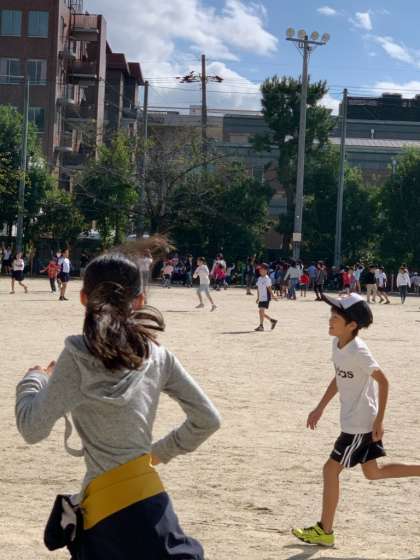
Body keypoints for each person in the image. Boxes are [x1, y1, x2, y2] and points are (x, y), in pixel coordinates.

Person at [15, 249, 221, 559]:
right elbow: (208, 419)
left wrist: (34, 379)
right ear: (139, 301)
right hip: (151, 501)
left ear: (83, 298)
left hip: (104, 514)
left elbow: (32, 429)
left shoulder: (77, 356)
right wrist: (157, 454)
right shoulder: (158, 355)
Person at [292, 292, 420, 547]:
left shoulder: (359, 351)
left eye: (336, 317)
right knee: (373, 473)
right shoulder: (337, 343)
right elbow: (339, 377)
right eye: (331, 315)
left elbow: (384, 382)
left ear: (352, 325)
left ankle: (325, 530)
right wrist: (320, 407)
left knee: (330, 470)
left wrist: (379, 421)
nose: (330, 320)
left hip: (359, 424)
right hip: (355, 420)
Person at [255, 263, 278, 332]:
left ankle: (261, 326)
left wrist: (273, 296)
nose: (260, 270)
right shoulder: (259, 278)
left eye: (261, 269)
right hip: (261, 297)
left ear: (266, 270)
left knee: (261, 311)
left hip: (266, 297)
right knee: (261, 312)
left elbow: (269, 288)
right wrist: (258, 297)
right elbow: (258, 288)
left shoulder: (267, 279)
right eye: (260, 269)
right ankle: (272, 320)